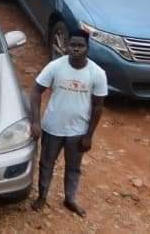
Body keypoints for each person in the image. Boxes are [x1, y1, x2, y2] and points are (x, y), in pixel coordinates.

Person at [30, 29, 107, 217]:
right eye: (72, 45)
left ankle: (70, 199)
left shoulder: (97, 73)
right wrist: (36, 122)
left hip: (78, 132)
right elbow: (35, 92)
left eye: (80, 46)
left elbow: (98, 107)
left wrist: (89, 135)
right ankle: (42, 196)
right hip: (51, 128)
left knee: (74, 167)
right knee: (46, 164)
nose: (76, 49)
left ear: (88, 48)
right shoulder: (55, 66)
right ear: (66, 46)